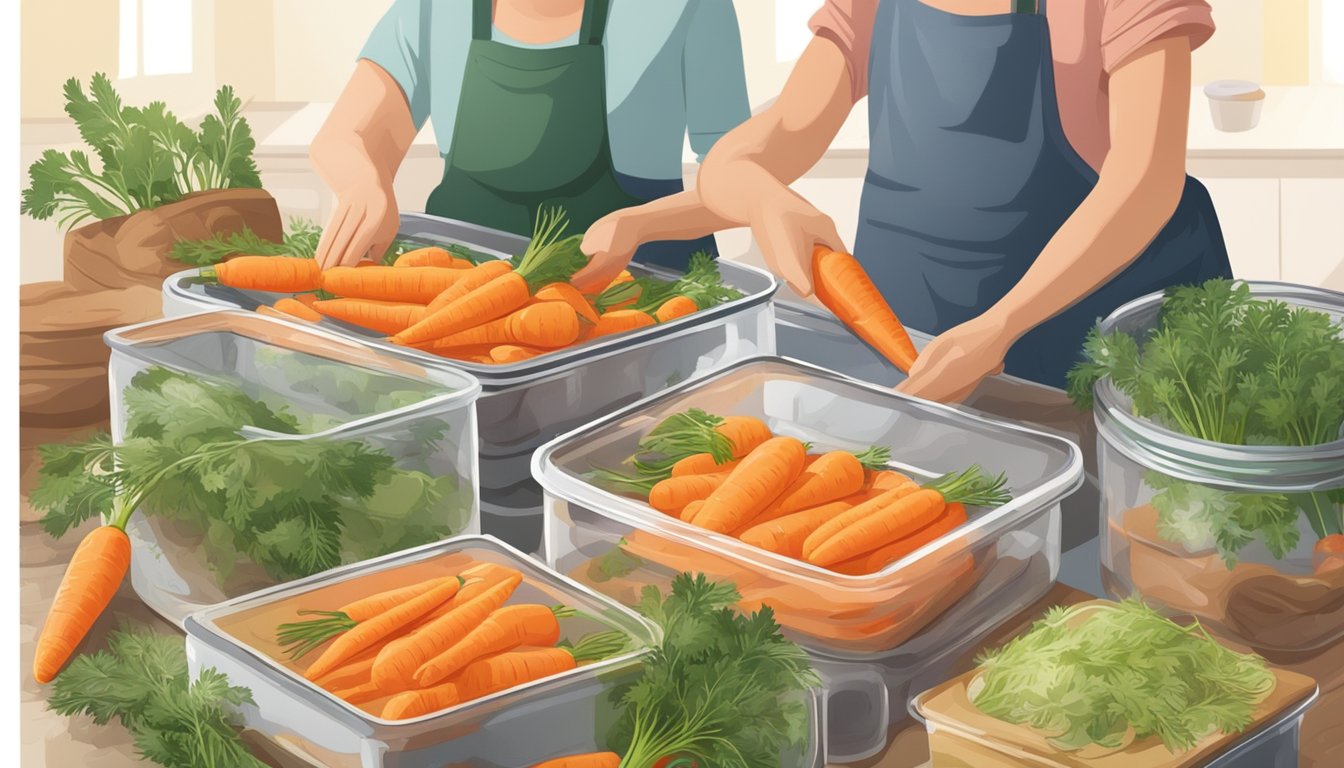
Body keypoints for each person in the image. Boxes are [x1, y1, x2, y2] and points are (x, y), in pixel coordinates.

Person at [574, 0, 1233, 403]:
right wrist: (748, 203)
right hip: (915, 362)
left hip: (1087, 372)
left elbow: (1144, 179)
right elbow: (762, 145)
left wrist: (1001, 326)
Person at [310, 0, 749, 273]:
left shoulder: (687, 6)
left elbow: (747, 180)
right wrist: (363, 183)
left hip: (642, 315)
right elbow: (346, 134)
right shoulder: (435, 9)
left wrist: (638, 226)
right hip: (463, 314)